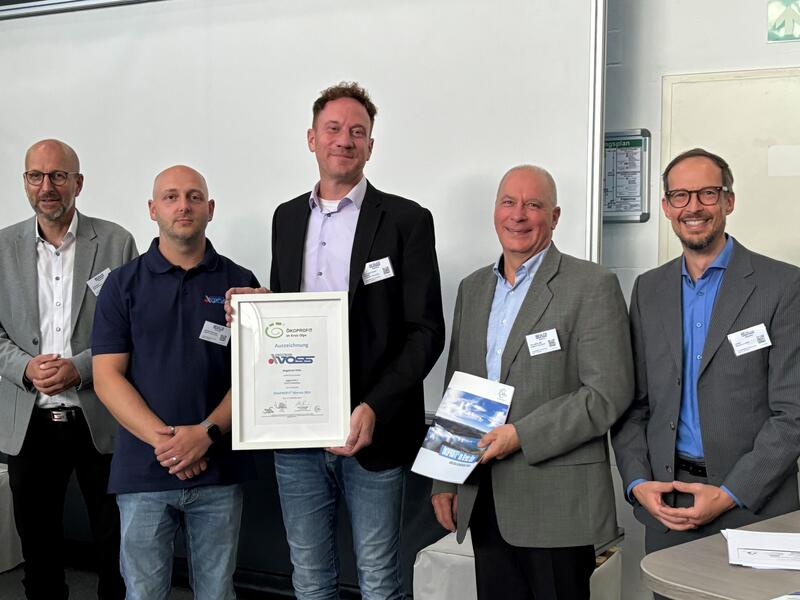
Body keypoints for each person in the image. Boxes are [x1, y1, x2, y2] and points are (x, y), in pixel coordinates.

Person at [227, 81, 445, 600]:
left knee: (379, 578)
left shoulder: (407, 220)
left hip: (375, 429)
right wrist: (259, 311)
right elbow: (295, 318)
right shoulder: (286, 218)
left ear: (370, 145)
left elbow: (426, 331)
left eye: (357, 132)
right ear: (312, 139)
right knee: (309, 578)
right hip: (296, 432)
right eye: (333, 129)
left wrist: (373, 406)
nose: (344, 140)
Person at [431, 165, 633, 600]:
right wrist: (445, 479)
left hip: (558, 507)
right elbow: (457, 388)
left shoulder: (592, 285)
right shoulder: (472, 289)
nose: (518, 215)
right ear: (495, 211)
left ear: (555, 217)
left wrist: (521, 435)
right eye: (509, 202)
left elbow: (607, 394)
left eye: (533, 205)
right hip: (484, 496)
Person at [611, 148, 800, 589]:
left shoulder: (783, 285)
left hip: (756, 507)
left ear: (729, 200)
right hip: (668, 505)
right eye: (680, 195)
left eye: (707, 193)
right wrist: (637, 482)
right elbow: (633, 404)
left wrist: (730, 493)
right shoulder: (648, 289)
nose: (693, 207)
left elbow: (793, 414)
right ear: (666, 207)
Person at [92, 165, 259, 600]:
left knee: (217, 593)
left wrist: (205, 434)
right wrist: (170, 445)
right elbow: (107, 377)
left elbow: (256, 372)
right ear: (153, 209)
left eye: (193, 196)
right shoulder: (121, 285)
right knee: (143, 593)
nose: (183, 206)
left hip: (218, 470)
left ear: (210, 208)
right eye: (170, 197)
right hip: (143, 472)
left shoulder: (240, 284)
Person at [0, 139, 135, 600]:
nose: (47, 186)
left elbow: (134, 328)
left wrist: (80, 368)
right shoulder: (2, 247)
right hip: (28, 420)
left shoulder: (116, 242)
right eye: (36, 176)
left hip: (101, 413)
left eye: (58, 176)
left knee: (116, 545)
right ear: (25, 182)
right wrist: (25, 367)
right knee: (38, 550)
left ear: (78, 182)